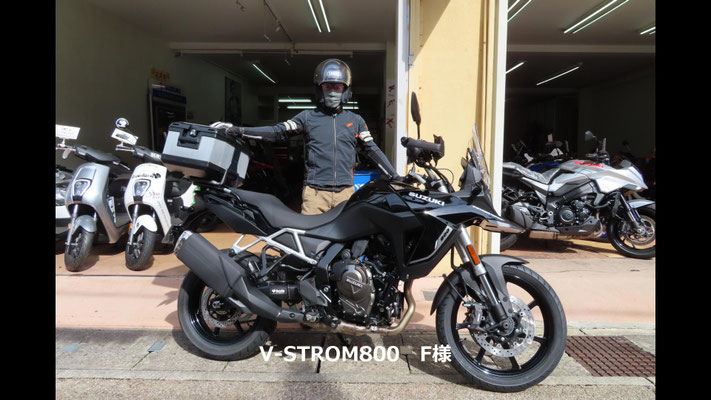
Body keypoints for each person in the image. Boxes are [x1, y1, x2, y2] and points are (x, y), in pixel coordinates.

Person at [223, 59, 399, 215]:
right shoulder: (307, 117)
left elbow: (372, 149)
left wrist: (395, 175)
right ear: (319, 88)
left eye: (337, 87)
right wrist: (238, 130)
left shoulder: (355, 120)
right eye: (327, 86)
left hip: (345, 194)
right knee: (311, 241)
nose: (332, 91)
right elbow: (277, 131)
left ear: (345, 90)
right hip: (315, 196)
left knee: (347, 241)